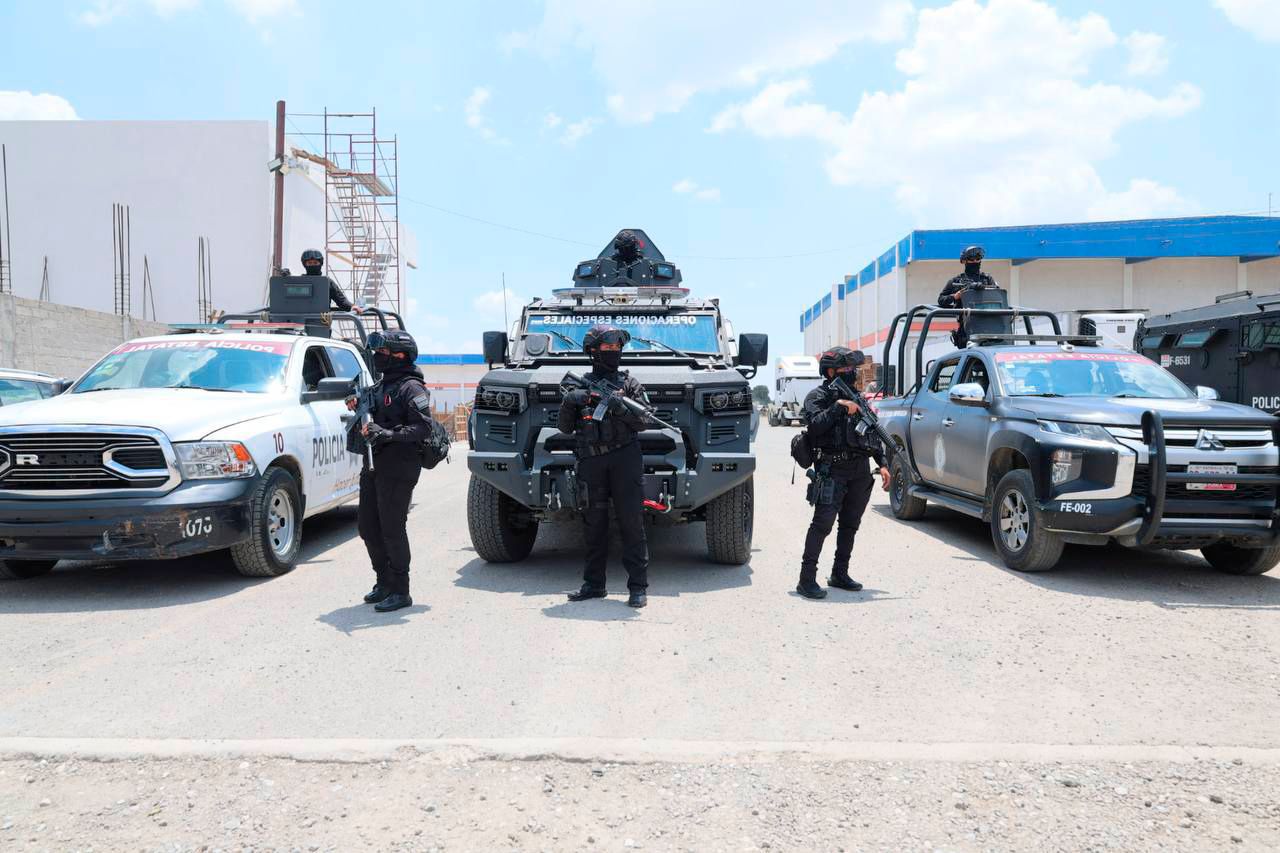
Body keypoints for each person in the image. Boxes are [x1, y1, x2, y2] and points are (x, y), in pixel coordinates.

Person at [557, 324, 650, 608]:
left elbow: (644, 420)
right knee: (593, 524)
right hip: (591, 460)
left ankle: (637, 587)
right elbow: (564, 428)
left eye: (617, 348)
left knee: (631, 522)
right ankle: (594, 584)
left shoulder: (630, 384)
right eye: (608, 348)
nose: (615, 352)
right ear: (593, 352)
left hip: (625, 458)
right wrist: (572, 400)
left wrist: (620, 406)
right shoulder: (578, 384)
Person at [797, 346, 891, 600]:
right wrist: (838, 407)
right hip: (832, 469)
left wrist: (882, 462)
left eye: (853, 369)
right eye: (846, 369)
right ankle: (806, 580)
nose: (852, 373)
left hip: (859, 471)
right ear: (830, 372)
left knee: (850, 525)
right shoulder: (818, 396)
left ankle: (840, 573)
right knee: (822, 525)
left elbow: (872, 433)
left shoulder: (858, 398)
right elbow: (814, 426)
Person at [347, 329, 431, 613]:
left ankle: (400, 590)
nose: (377, 357)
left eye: (382, 353)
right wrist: (357, 406)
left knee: (392, 529)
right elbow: (369, 413)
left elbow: (423, 428)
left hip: (399, 465)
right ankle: (383, 582)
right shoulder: (381, 386)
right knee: (368, 527)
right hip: (373, 465)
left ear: (399, 356)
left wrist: (387, 433)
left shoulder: (411, 387)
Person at [937, 245, 997, 349]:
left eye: (978, 259)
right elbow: (941, 300)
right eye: (971, 259)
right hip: (966, 328)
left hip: (988, 325)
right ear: (964, 261)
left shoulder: (987, 279)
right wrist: (955, 297)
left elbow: (997, 296)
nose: (975, 262)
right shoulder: (956, 281)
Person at [301, 248, 361, 314]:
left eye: (315, 263)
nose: (313, 265)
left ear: (320, 264)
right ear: (305, 265)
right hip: (299, 322)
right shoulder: (299, 282)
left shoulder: (327, 283)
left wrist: (352, 307)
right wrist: (287, 277)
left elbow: (341, 301)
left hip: (321, 321)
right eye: (310, 263)